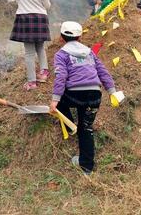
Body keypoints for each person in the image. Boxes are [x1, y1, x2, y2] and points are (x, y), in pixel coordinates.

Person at [50, 21, 116, 175]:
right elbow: (102, 71)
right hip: (94, 95)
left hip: (74, 95)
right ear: (80, 37)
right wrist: (112, 90)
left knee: (60, 104)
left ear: (61, 38)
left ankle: (69, 126)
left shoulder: (61, 54)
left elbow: (61, 76)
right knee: (86, 128)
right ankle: (87, 167)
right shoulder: (90, 52)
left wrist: (54, 100)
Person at [8, 0, 53, 91]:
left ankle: (31, 82)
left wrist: (22, 3)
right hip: (40, 18)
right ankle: (44, 72)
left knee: (28, 53)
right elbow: (47, 5)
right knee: (40, 46)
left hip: (25, 18)